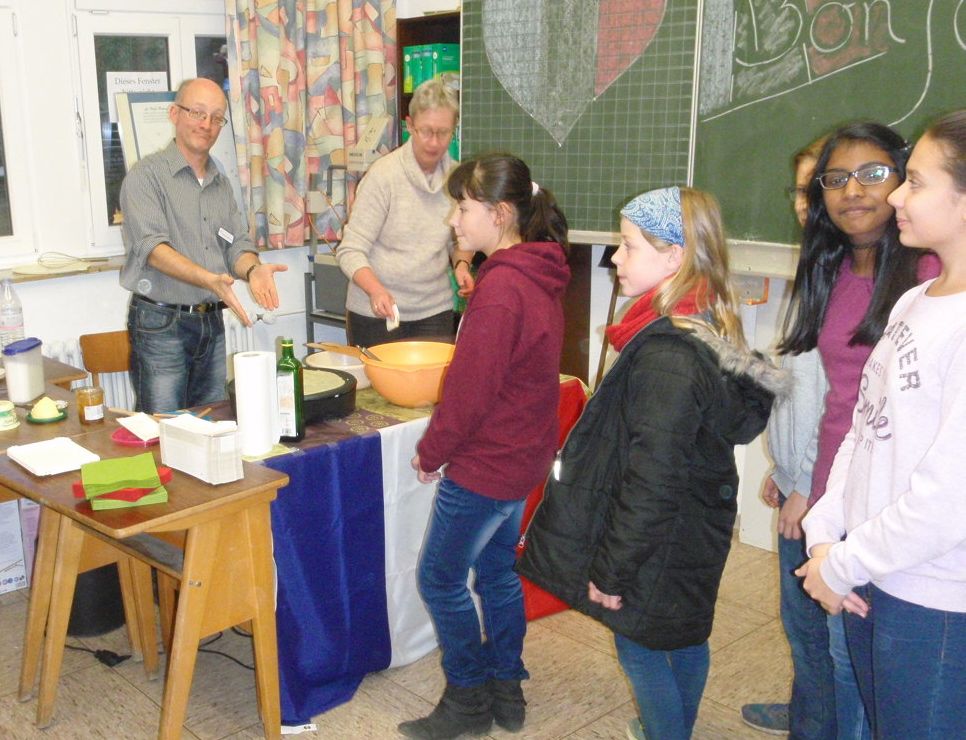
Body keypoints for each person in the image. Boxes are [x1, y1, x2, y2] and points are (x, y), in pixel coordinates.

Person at [518, 186, 785, 740]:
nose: (614, 258)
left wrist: (614, 570)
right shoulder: (698, 324)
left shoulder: (667, 355)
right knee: (683, 637)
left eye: (628, 245)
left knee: (639, 648)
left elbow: (651, 479)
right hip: (690, 527)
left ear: (674, 257)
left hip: (659, 538)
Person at [769, 122, 941, 739]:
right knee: (842, 660)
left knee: (877, 675)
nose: (853, 191)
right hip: (836, 491)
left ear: (903, 181)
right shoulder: (830, 266)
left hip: (897, 507)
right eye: (836, 179)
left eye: (873, 174)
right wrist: (805, 484)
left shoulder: (931, 273)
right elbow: (837, 398)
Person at [398, 154, 570, 739]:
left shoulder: (502, 290)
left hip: (486, 466)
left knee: (439, 580)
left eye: (464, 208)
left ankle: (468, 697)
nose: (454, 219)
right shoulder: (537, 271)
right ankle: (505, 684)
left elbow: (470, 392)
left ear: (499, 215)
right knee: (496, 573)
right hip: (521, 460)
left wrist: (431, 452)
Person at [741, 138, 835, 738]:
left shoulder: (849, 275)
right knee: (804, 621)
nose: (804, 204)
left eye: (815, 189)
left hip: (820, 490)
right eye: (799, 191)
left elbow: (840, 402)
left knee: (812, 623)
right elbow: (800, 383)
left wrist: (803, 484)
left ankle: (816, 724)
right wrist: (783, 468)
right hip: (803, 478)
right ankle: (809, 712)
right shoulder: (818, 264)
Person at [120, 77, 286, 413]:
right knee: (164, 428)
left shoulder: (220, 183)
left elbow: (235, 244)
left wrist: (253, 269)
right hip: (161, 324)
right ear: (174, 114)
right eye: (197, 113)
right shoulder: (145, 176)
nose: (206, 124)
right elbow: (153, 249)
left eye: (216, 117)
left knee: (212, 425)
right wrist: (208, 279)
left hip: (210, 323)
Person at [335, 77, 475, 348]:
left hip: (434, 311)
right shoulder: (383, 176)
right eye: (426, 131)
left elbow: (459, 241)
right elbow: (350, 250)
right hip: (376, 313)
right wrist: (376, 291)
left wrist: (462, 265)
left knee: (431, 377)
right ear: (410, 125)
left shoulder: (457, 178)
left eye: (443, 132)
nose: (434, 142)